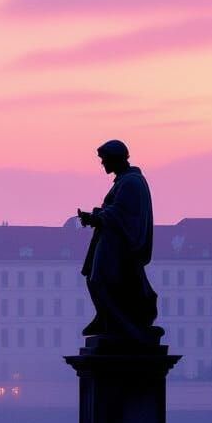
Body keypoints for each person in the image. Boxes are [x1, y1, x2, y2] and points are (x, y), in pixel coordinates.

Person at [78, 140, 163, 345]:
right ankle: (110, 321)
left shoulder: (131, 182)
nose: (102, 163)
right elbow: (118, 211)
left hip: (118, 245)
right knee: (97, 280)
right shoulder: (126, 181)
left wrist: (96, 217)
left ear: (115, 159)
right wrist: (97, 215)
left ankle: (124, 326)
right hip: (112, 241)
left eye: (104, 159)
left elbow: (122, 214)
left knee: (101, 281)